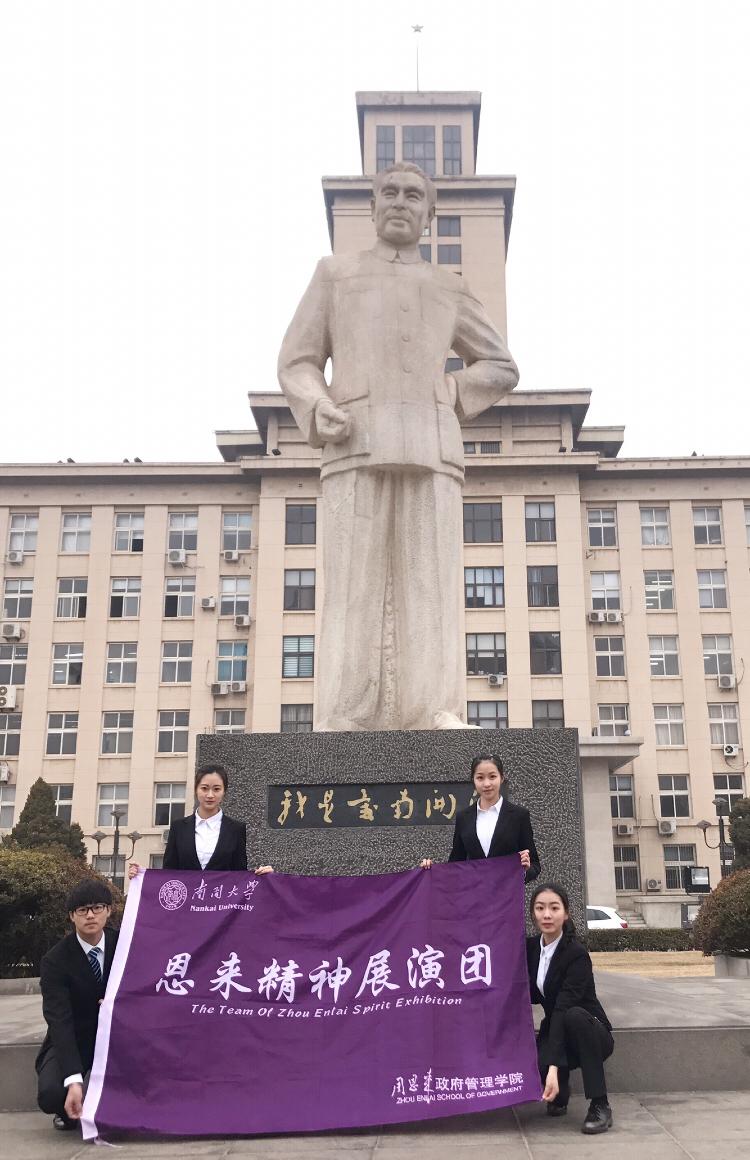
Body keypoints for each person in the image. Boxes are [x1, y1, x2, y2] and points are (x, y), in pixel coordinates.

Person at [278, 161, 519, 731]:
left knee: (430, 586)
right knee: (351, 587)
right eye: (389, 192)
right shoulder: (335, 274)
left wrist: (450, 391)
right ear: (372, 206)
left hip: (432, 446)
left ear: (429, 214)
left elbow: (501, 365)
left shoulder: (448, 286)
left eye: (414, 195)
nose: (400, 202)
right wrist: (316, 403)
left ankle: (434, 708)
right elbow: (298, 360)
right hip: (354, 441)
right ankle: (345, 711)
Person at [527, 882, 614, 1135]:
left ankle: (600, 1105)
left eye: (554, 908)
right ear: (533, 913)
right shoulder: (530, 948)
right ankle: (560, 1091)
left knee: (573, 1016)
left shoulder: (576, 955)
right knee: (538, 1066)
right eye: (540, 908)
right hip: (556, 1028)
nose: (547, 914)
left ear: (566, 914)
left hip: (589, 1031)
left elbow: (564, 1008)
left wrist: (553, 1066)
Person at [36, 879, 118, 1131]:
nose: (90, 915)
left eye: (97, 907)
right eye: (82, 910)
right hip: (77, 1036)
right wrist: (73, 1080)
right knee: (52, 1093)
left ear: (108, 910)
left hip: (120, 1035)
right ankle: (70, 1109)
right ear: (72, 916)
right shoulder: (55, 960)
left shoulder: (125, 944)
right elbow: (59, 1020)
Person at [128, 764, 272, 877]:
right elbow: (169, 873)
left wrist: (263, 877)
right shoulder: (179, 828)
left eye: (216, 789)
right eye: (204, 788)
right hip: (186, 903)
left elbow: (239, 875)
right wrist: (142, 875)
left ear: (224, 792)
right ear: (196, 790)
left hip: (221, 903)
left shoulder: (236, 829)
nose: (210, 795)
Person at [421, 754, 540, 881]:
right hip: (473, 892)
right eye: (480, 778)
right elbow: (455, 864)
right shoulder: (464, 818)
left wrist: (524, 871)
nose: (487, 783)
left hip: (507, 891)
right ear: (473, 780)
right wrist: (432, 870)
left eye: (492, 776)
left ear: (502, 778)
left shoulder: (519, 816)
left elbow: (535, 865)